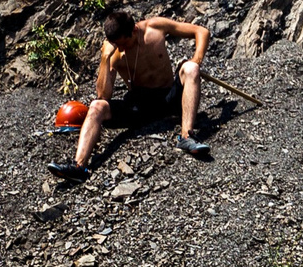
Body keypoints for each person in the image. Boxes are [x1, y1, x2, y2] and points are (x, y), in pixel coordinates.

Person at [48, 10, 210, 180]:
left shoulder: (155, 27)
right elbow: (103, 95)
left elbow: (201, 31)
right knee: (97, 106)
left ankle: (186, 137)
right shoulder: (114, 52)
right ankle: (79, 166)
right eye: (117, 45)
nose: (122, 49)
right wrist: (105, 58)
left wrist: (196, 59)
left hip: (170, 98)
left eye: (124, 43)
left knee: (191, 69)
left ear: (134, 30)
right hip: (139, 106)